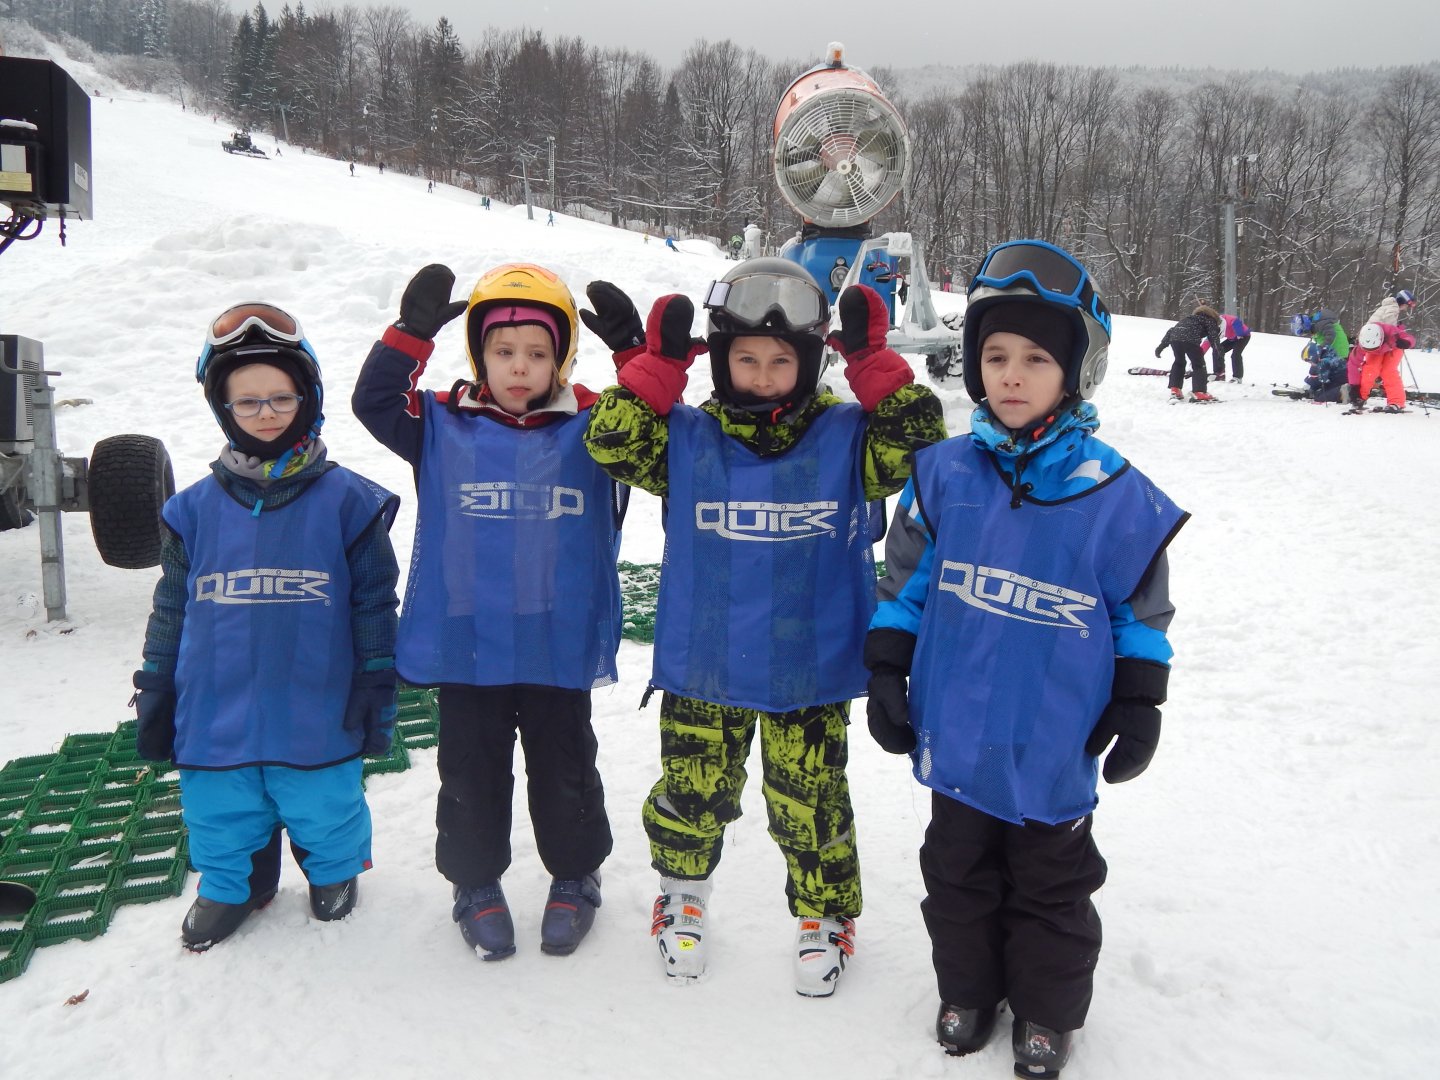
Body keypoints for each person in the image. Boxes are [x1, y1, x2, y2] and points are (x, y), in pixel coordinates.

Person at [863, 239, 1187, 1077]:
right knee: (956, 873)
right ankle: (968, 990)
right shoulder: (942, 476)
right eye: (996, 355)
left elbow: (1140, 614)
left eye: (1037, 358)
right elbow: (905, 585)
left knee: (1051, 885)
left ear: (1075, 372)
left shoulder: (1114, 494)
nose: (1012, 375)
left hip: (1052, 739)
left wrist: (1139, 700)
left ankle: (1046, 1009)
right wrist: (888, 667)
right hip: (958, 734)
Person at [581, 259, 947, 995]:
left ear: (810, 362)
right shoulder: (686, 439)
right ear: (720, 361)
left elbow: (922, 446)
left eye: (782, 362)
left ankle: (825, 916)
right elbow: (610, 443)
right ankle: (681, 896)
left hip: (807, 667)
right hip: (706, 663)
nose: (763, 377)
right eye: (745, 360)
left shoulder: (849, 440)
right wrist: (655, 368)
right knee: (692, 795)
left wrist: (874, 363)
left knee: (811, 803)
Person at [352, 263, 625, 962]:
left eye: (537, 352)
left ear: (561, 358)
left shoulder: (595, 425)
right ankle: (474, 883)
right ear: (479, 354)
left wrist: (635, 354)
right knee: (471, 771)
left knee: (565, 766)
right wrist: (408, 336)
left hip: (555, 635)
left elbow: (653, 430)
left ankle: (575, 874)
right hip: (468, 638)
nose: (519, 367)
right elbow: (374, 402)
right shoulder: (442, 422)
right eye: (503, 351)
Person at [132, 304, 401, 952]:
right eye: (247, 402)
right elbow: (172, 604)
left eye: (281, 397)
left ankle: (333, 872)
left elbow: (373, 600)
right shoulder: (192, 510)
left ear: (308, 398)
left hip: (315, 698)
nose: (267, 414)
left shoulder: (350, 503)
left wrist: (376, 678)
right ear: (223, 408)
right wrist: (157, 682)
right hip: (215, 701)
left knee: (322, 798)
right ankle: (231, 885)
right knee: (219, 804)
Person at [1350, 288, 1417, 412]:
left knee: (1388, 370)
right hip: (1377, 345)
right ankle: (1360, 398)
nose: (1406, 308)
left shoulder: (1390, 329)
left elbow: (1407, 337)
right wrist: (1354, 387)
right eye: (1407, 305)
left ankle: (1396, 402)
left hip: (1392, 345)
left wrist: (1406, 342)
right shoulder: (1363, 342)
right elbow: (1353, 365)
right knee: (1370, 369)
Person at [1154, 304, 1222, 401]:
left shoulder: (1188, 318)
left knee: (1179, 362)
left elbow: (1172, 330)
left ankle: (1175, 389)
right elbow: (1214, 338)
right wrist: (1219, 354)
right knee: (1199, 365)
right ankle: (1199, 392)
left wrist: (1161, 346)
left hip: (1175, 339)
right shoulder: (1209, 320)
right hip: (1191, 340)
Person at [1214, 312, 1251, 382]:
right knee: (1217, 350)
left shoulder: (1227, 319)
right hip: (1232, 338)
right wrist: (1200, 353)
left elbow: (1236, 321)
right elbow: (1206, 343)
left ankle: (1238, 377)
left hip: (1244, 336)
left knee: (1235, 354)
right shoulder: (1212, 327)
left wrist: (1239, 332)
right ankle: (1220, 374)